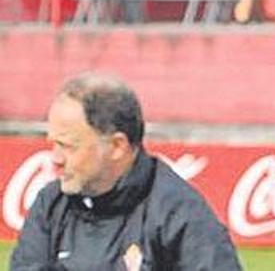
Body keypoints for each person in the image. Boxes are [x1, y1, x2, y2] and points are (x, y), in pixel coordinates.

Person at [11, 74, 242, 270]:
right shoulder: (50, 206)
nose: (55, 158)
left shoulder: (179, 213)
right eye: (53, 144)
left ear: (117, 146)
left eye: (68, 146)